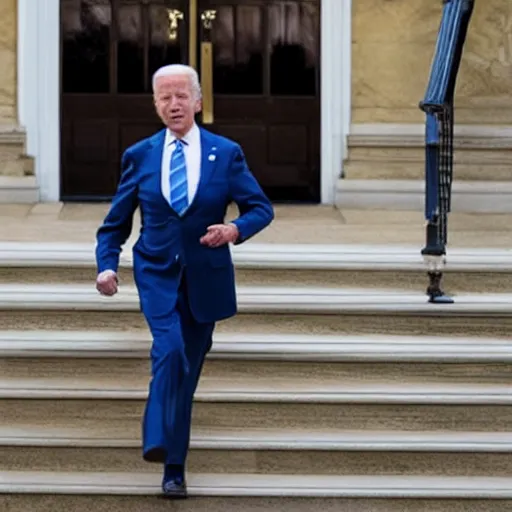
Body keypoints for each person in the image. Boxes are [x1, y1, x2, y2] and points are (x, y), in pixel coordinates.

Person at [95, 63, 274, 499]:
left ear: (197, 101)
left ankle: (173, 469)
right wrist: (106, 264)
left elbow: (260, 208)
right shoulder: (139, 155)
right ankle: (159, 440)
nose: (173, 104)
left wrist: (234, 230)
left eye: (181, 96)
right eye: (164, 97)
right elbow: (114, 224)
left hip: (205, 279)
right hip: (156, 271)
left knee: (185, 374)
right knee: (169, 349)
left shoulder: (225, 153)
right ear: (155, 105)